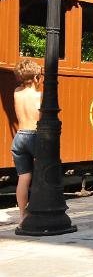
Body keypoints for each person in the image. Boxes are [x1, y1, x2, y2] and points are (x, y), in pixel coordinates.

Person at [12, 59, 42, 224]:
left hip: (19, 137)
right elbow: (42, 118)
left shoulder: (17, 92)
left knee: (23, 178)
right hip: (34, 136)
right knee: (40, 176)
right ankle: (39, 209)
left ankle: (22, 216)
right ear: (37, 77)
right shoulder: (39, 96)